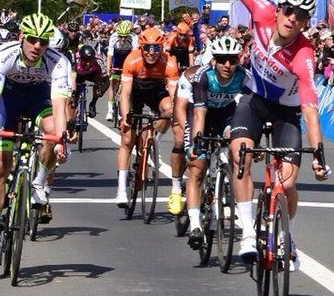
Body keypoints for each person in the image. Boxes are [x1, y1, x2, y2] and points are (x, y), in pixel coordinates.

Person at [213, 0, 329, 269]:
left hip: (286, 112)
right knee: (241, 156)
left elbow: (309, 106)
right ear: (278, 11)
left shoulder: (305, 53)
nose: (293, 18)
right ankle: (248, 233)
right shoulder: (262, 12)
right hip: (255, 98)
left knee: (287, 182)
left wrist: (318, 152)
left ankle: (284, 234)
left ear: (307, 22)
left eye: (301, 15)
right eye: (289, 11)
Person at [0, 13, 71, 263]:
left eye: (43, 42)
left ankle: (39, 183)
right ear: (22, 37)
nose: (37, 47)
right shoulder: (4, 54)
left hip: (38, 98)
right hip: (7, 101)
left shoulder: (58, 62)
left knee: (52, 134)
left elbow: (60, 104)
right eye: (32, 40)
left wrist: (61, 139)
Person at [185, 35, 248, 249]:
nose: (227, 65)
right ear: (214, 60)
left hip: (227, 116)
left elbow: (246, 111)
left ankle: (227, 181)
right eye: (222, 60)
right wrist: (198, 143)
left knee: (237, 143)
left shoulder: (243, 76)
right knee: (197, 168)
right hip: (203, 115)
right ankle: (194, 223)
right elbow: (200, 114)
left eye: (232, 60)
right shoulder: (204, 76)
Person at [113, 27, 181, 206]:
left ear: (162, 48)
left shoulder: (170, 63)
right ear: (141, 47)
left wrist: (175, 116)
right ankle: (121, 189)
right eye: (148, 48)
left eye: (156, 48)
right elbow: (126, 94)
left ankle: (155, 139)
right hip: (135, 91)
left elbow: (174, 96)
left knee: (169, 110)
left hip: (155, 90)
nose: (152, 52)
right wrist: (125, 117)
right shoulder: (132, 59)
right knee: (127, 139)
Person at [105, 20, 137, 121]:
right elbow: (110, 55)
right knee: (113, 83)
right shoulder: (114, 37)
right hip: (117, 58)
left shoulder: (134, 38)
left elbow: (135, 56)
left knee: (128, 85)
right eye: (121, 36)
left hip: (128, 58)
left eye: (125, 36)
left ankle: (123, 109)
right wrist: (108, 69)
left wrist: (133, 70)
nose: (123, 39)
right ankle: (110, 110)